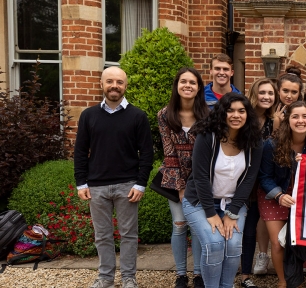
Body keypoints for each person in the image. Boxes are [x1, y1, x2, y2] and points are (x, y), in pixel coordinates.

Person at [74, 66, 155, 288]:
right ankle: (105, 277)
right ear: (101, 84)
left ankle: (129, 278)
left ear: (125, 86)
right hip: (97, 186)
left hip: (128, 185)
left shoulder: (138, 116)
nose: (114, 86)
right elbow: (80, 152)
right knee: (102, 236)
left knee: (129, 235)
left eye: (119, 82)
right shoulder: (88, 115)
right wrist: (81, 182)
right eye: (109, 81)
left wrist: (140, 184)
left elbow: (147, 153)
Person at [182, 93, 263, 288]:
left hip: (234, 203)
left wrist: (232, 212)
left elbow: (249, 179)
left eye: (241, 111)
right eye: (230, 110)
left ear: (247, 115)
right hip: (200, 203)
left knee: (234, 245)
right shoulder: (207, 137)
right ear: (222, 113)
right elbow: (200, 177)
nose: (236, 115)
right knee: (215, 244)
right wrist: (211, 213)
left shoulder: (254, 141)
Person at [157, 67, 209, 288]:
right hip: (174, 175)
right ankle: (180, 274)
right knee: (179, 224)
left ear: (199, 88)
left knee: (198, 225)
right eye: (183, 82)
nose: (187, 86)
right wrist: (180, 187)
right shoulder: (164, 115)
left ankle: (198, 274)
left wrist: (196, 184)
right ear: (177, 86)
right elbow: (168, 152)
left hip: (201, 178)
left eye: (192, 82)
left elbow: (209, 152)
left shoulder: (208, 115)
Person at [260, 101, 306, 288]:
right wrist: (278, 195)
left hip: (303, 195)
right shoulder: (272, 144)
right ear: (288, 119)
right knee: (278, 243)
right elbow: (265, 177)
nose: (300, 121)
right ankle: (283, 281)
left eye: (305, 116)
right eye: (295, 116)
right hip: (275, 194)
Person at [241, 78, 279, 288]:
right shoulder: (243, 117)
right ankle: (243, 274)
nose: (266, 97)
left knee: (253, 227)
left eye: (270, 93)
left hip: (262, 182)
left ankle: (248, 273)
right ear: (254, 94)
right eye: (262, 92)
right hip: (241, 181)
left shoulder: (275, 121)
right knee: (244, 230)